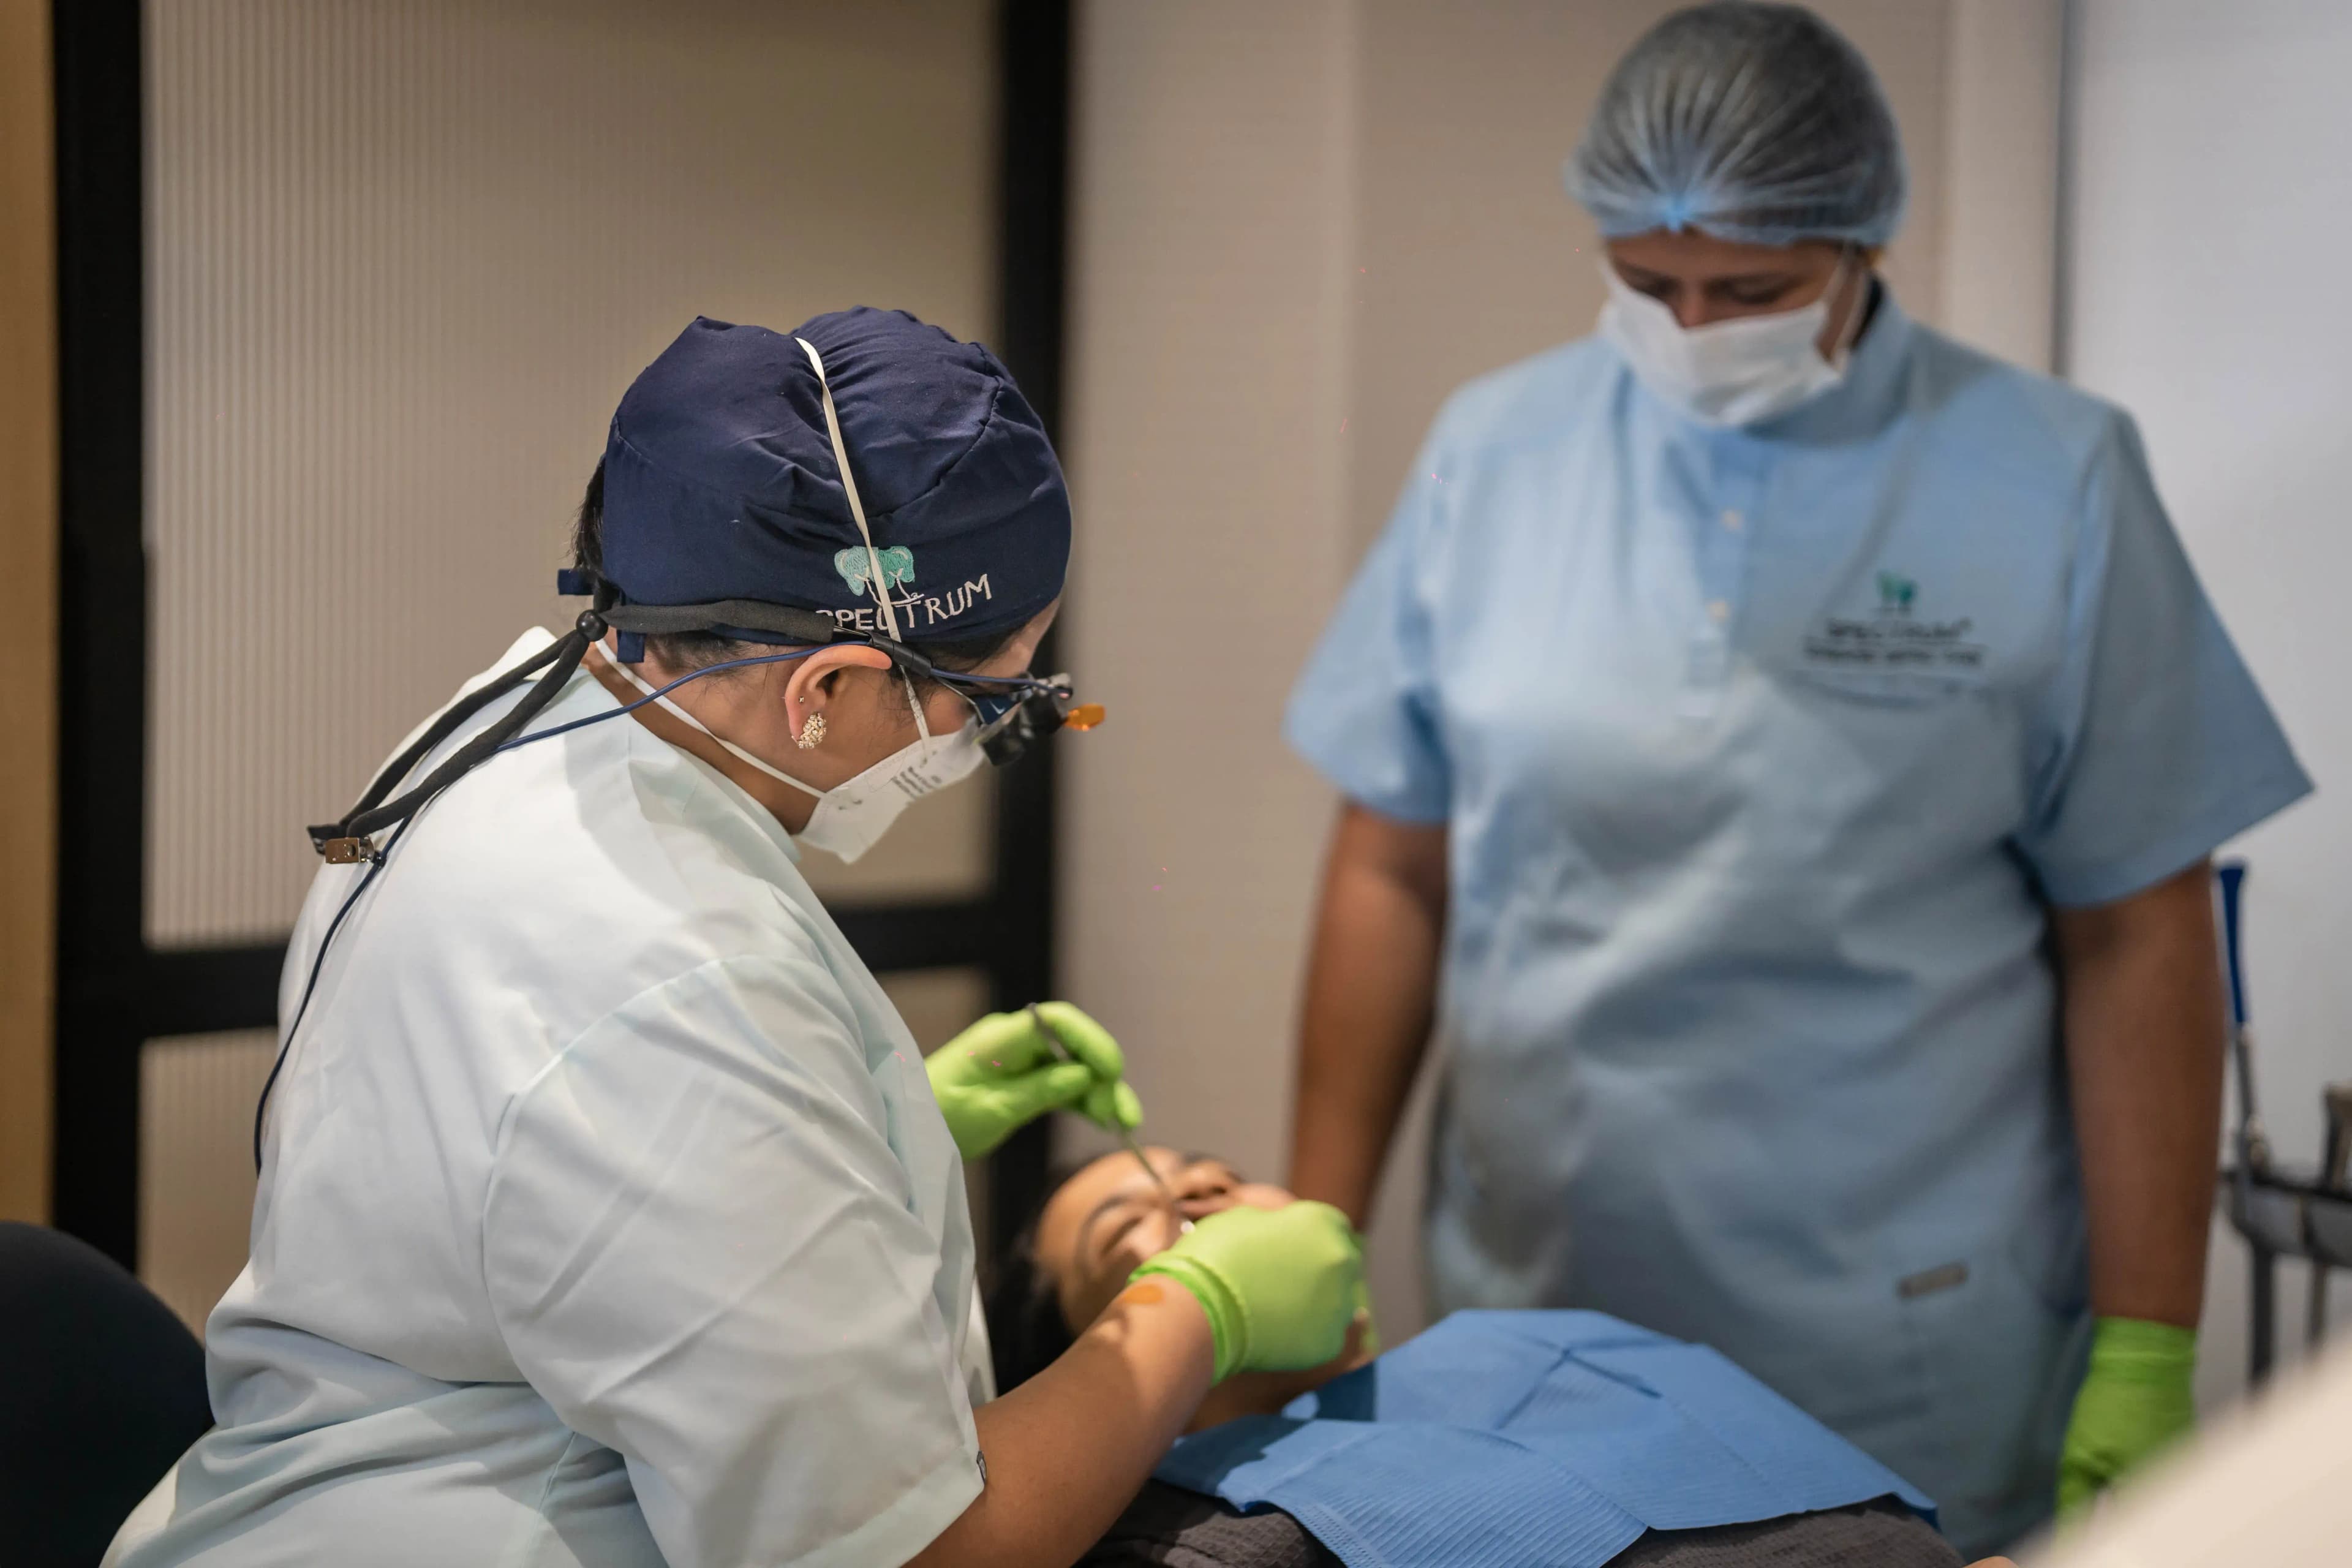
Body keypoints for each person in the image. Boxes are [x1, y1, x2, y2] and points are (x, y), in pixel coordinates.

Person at [1281, 3, 2310, 1556]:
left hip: (1899, 1337)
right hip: (1530, 1310)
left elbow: (2135, 925)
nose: (1694, 327)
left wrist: (2151, 1338)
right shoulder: (1493, 452)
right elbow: (1391, 859)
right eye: (1648, 285)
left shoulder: (2053, 475)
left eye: (1752, 290)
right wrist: (1317, 1230)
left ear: (1863, 239)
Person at [116, 309, 1363, 1568]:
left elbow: (555, 1169)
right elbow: (919, 1552)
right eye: (992, 700)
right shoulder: (679, 978)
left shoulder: (524, 728)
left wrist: (870, 1128)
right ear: (825, 690)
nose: (982, 742)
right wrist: (1197, 1310)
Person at [990, 1148, 1965, 1567]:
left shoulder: (1570, 1340)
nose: (1199, 1193)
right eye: (1130, 1229)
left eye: (1214, 1175)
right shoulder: (1184, 1542)